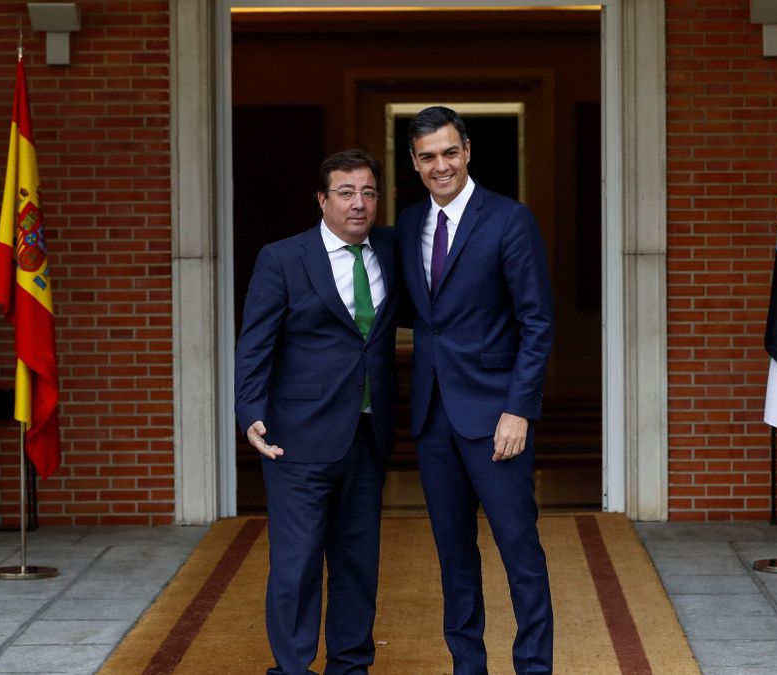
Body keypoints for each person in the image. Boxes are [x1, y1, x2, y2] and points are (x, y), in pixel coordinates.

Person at [396, 106, 554, 674]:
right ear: (414, 163)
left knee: (520, 551)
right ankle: (468, 666)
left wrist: (519, 409)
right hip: (433, 417)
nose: (441, 165)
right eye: (428, 156)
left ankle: (533, 666)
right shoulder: (410, 222)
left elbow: (537, 322)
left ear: (467, 151)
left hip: (495, 417)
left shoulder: (510, 221)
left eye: (450, 152)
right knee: (453, 556)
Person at [235, 149, 398, 675]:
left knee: (357, 564)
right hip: (298, 439)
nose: (359, 203)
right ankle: (292, 667)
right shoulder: (282, 258)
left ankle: (350, 665)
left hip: (367, 436)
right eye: (347, 193)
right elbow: (255, 344)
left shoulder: (391, 252)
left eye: (369, 192)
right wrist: (249, 410)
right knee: (297, 565)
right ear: (322, 200)